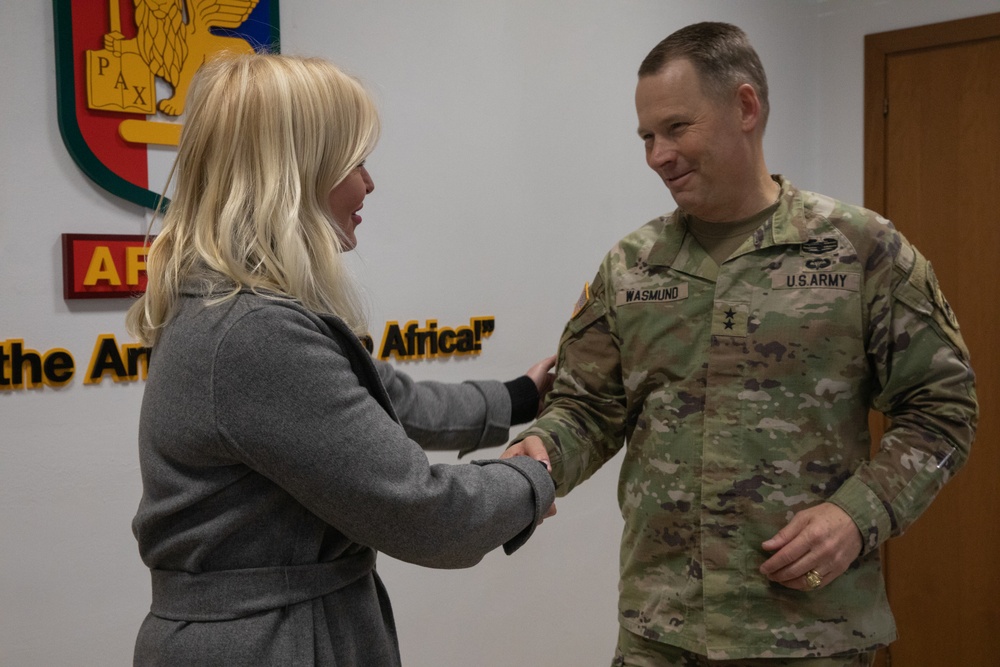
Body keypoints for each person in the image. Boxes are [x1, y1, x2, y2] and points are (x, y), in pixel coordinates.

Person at [503, 21, 978, 666]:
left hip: (810, 634)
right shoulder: (632, 267)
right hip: (661, 633)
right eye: (646, 136)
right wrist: (543, 449)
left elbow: (942, 411)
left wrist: (856, 516)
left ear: (745, 107)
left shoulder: (861, 251)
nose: (657, 156)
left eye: (676, 128)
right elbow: (588, 408)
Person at [125, 53, 556, 667]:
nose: (368, 184)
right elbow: (424, 511)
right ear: (296, 172)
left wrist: (518, 397)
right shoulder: (253, 332)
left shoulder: (234, 304)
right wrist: (538, 477)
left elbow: (385, 400)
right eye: (354, 162)